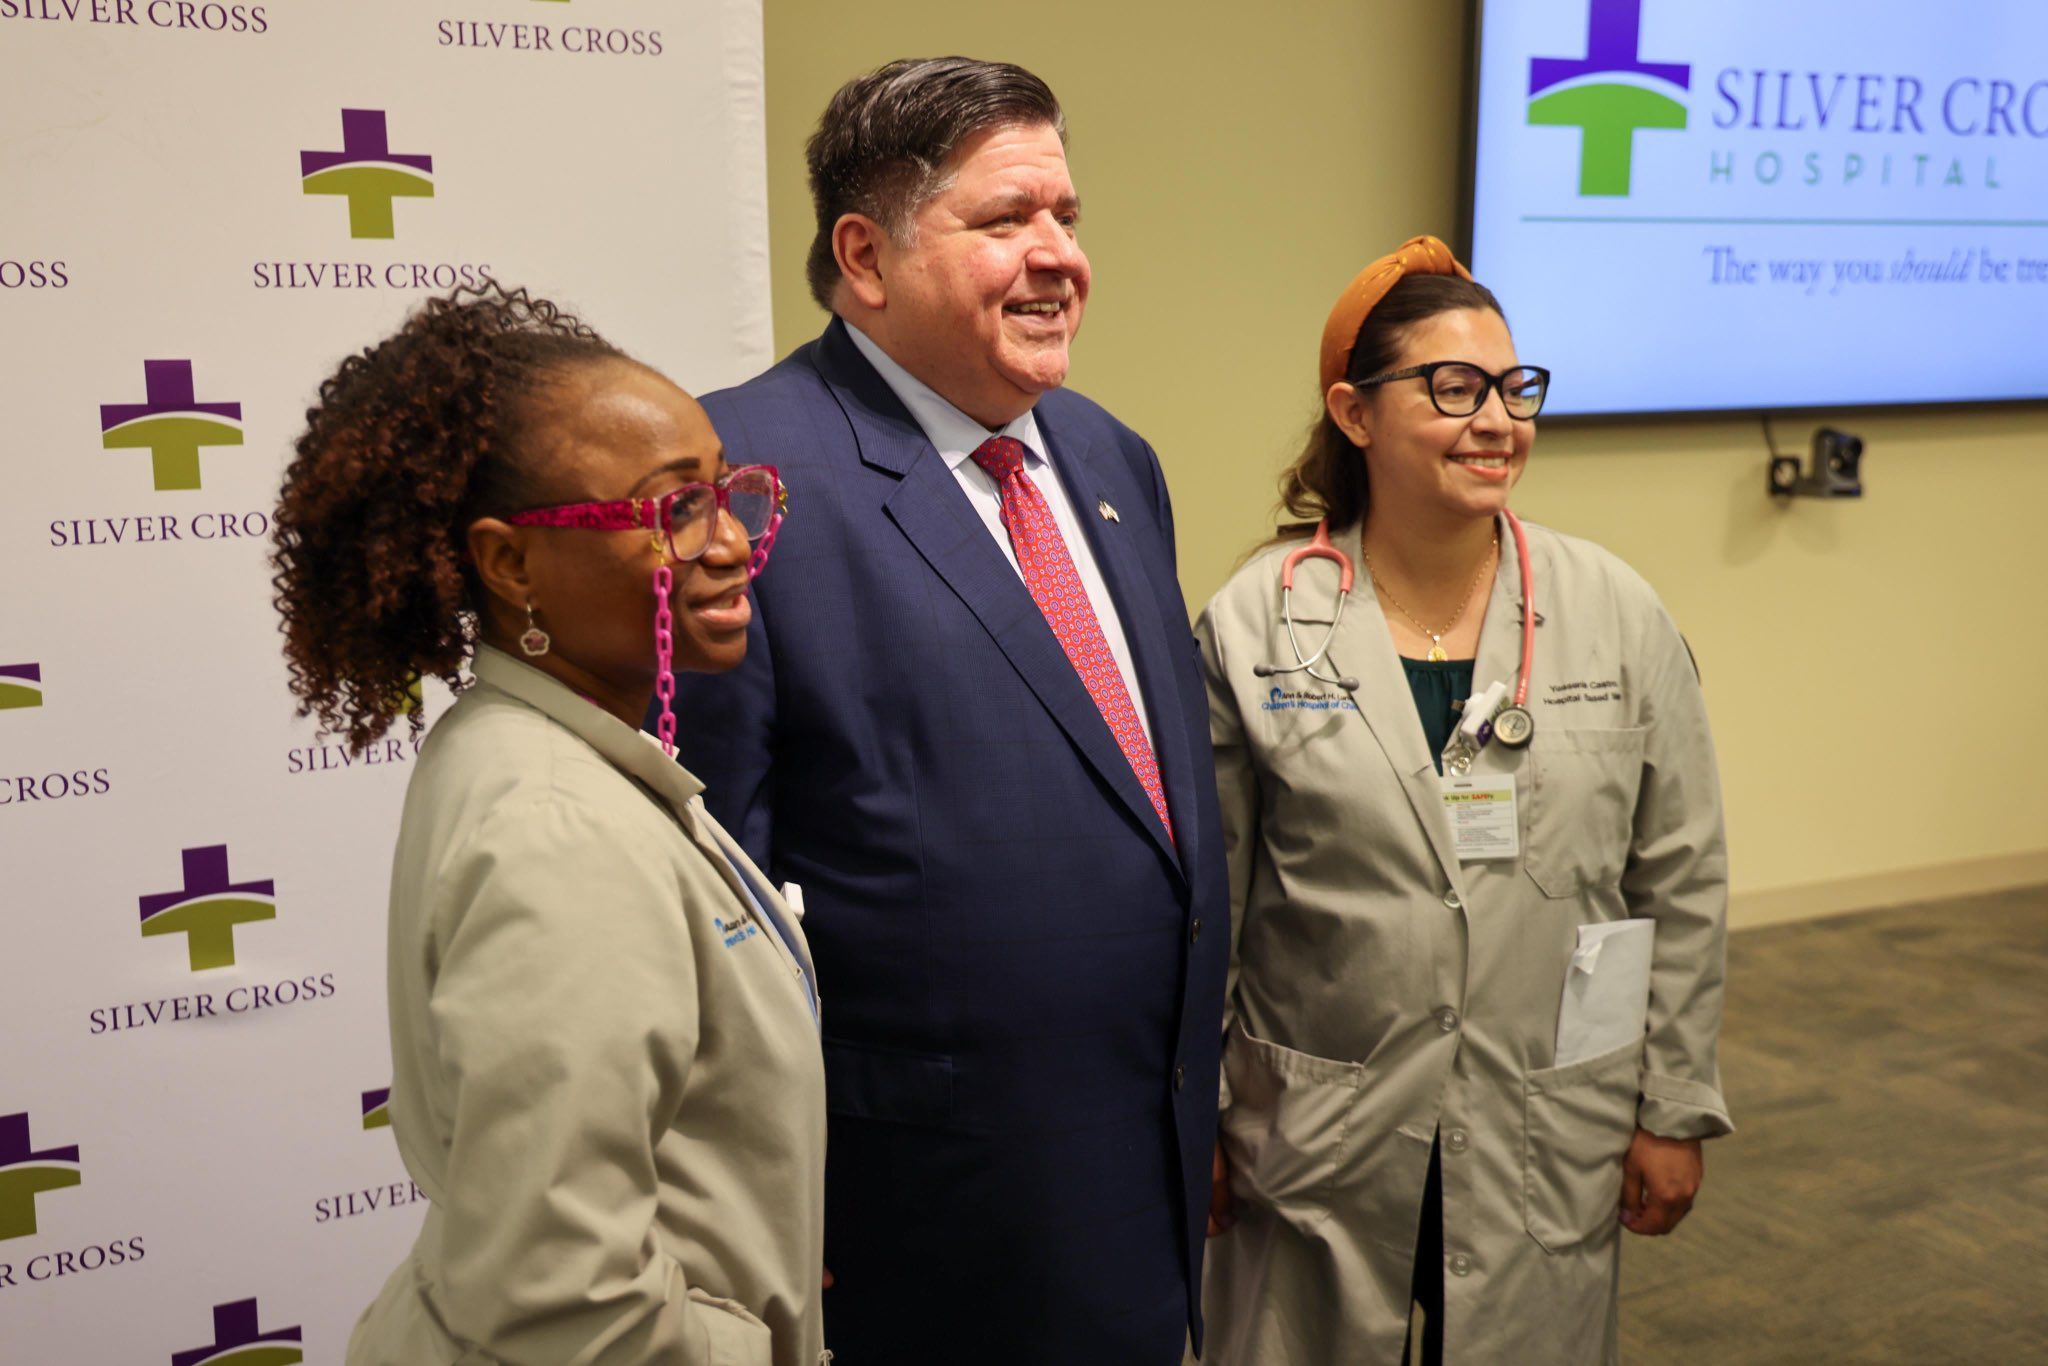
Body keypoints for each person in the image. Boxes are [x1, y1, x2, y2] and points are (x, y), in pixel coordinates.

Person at [663, 57, 1230, 1366]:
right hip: (912, 1217)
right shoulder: (742, 487)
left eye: (1068, 218)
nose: (1058, 258)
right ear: (864, 255)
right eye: (1005, 221)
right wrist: (752, 1202)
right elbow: (710, 901)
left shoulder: (1107, 457)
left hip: (1142, 1167)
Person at [1195, 237, 1732, 1365]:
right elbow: (1210, 902)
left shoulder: (1613, 612)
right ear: (1353, 413)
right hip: (1319, 1121)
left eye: (1513, 386)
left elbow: (1677, 872)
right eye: (1452, 387)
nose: (1496, 419)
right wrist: (1191, 1109)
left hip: (1545, 1109)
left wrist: (1670, 1103)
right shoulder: (1255, 623)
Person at [270, 283, 828, 1366]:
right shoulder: (556, 825)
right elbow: (559, 1300)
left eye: (726, 491)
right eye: (673, 509)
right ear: (511, 563)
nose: (728, 541)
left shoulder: (543, 747)